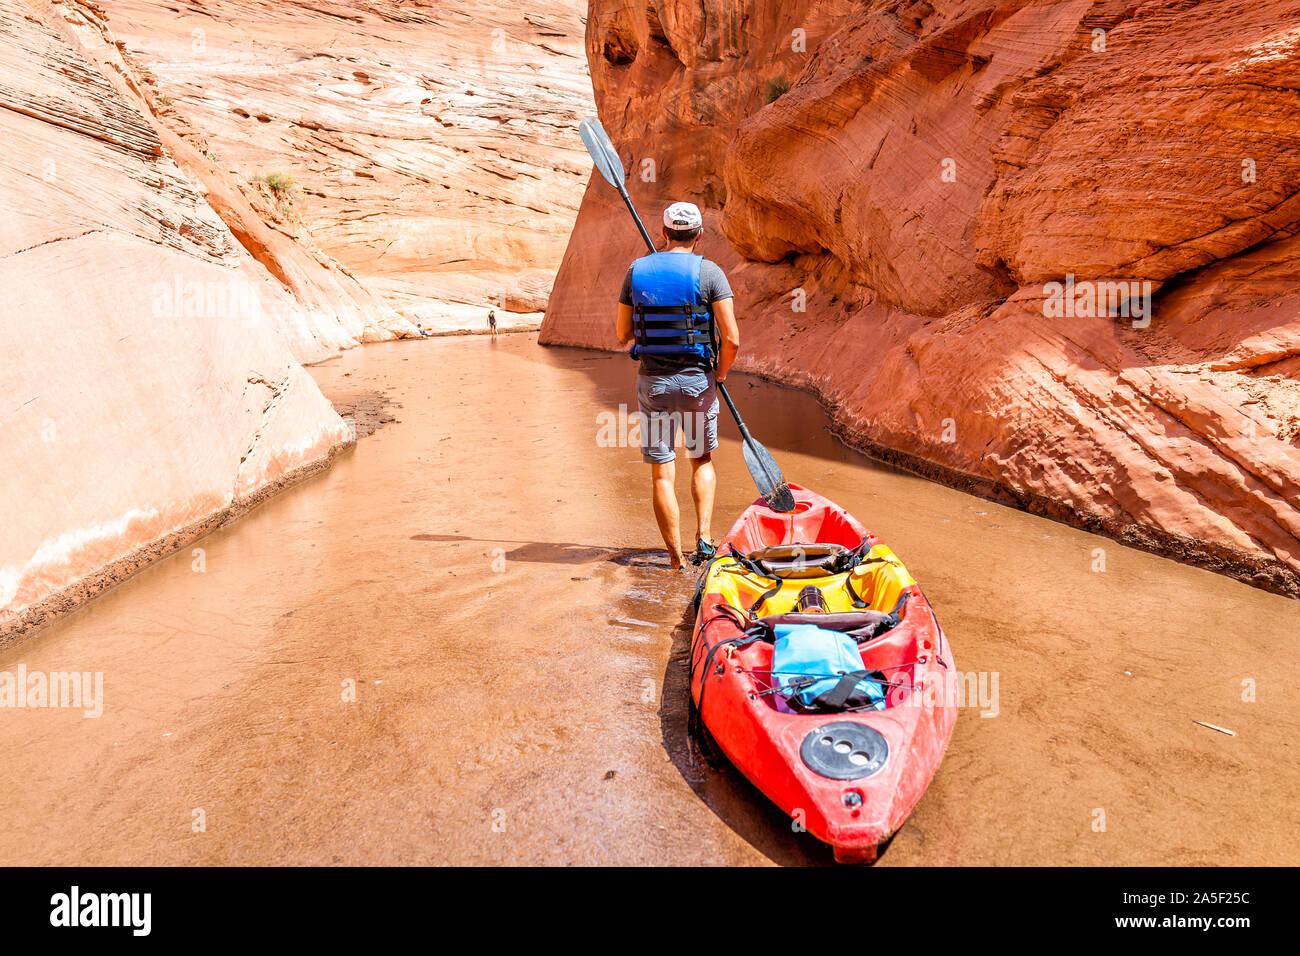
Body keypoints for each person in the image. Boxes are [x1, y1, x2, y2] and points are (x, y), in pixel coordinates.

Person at [616, 201, 740, 570]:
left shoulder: (636, 271)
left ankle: (674, 560)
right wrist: (720, 375)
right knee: (700, 459)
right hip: (698, 382)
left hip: (653, 384)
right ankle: (703, 541)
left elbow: (624, 334)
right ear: (700, 234)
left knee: (662, 471)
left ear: (663, 233)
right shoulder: (711, 273)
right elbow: (731, 339)